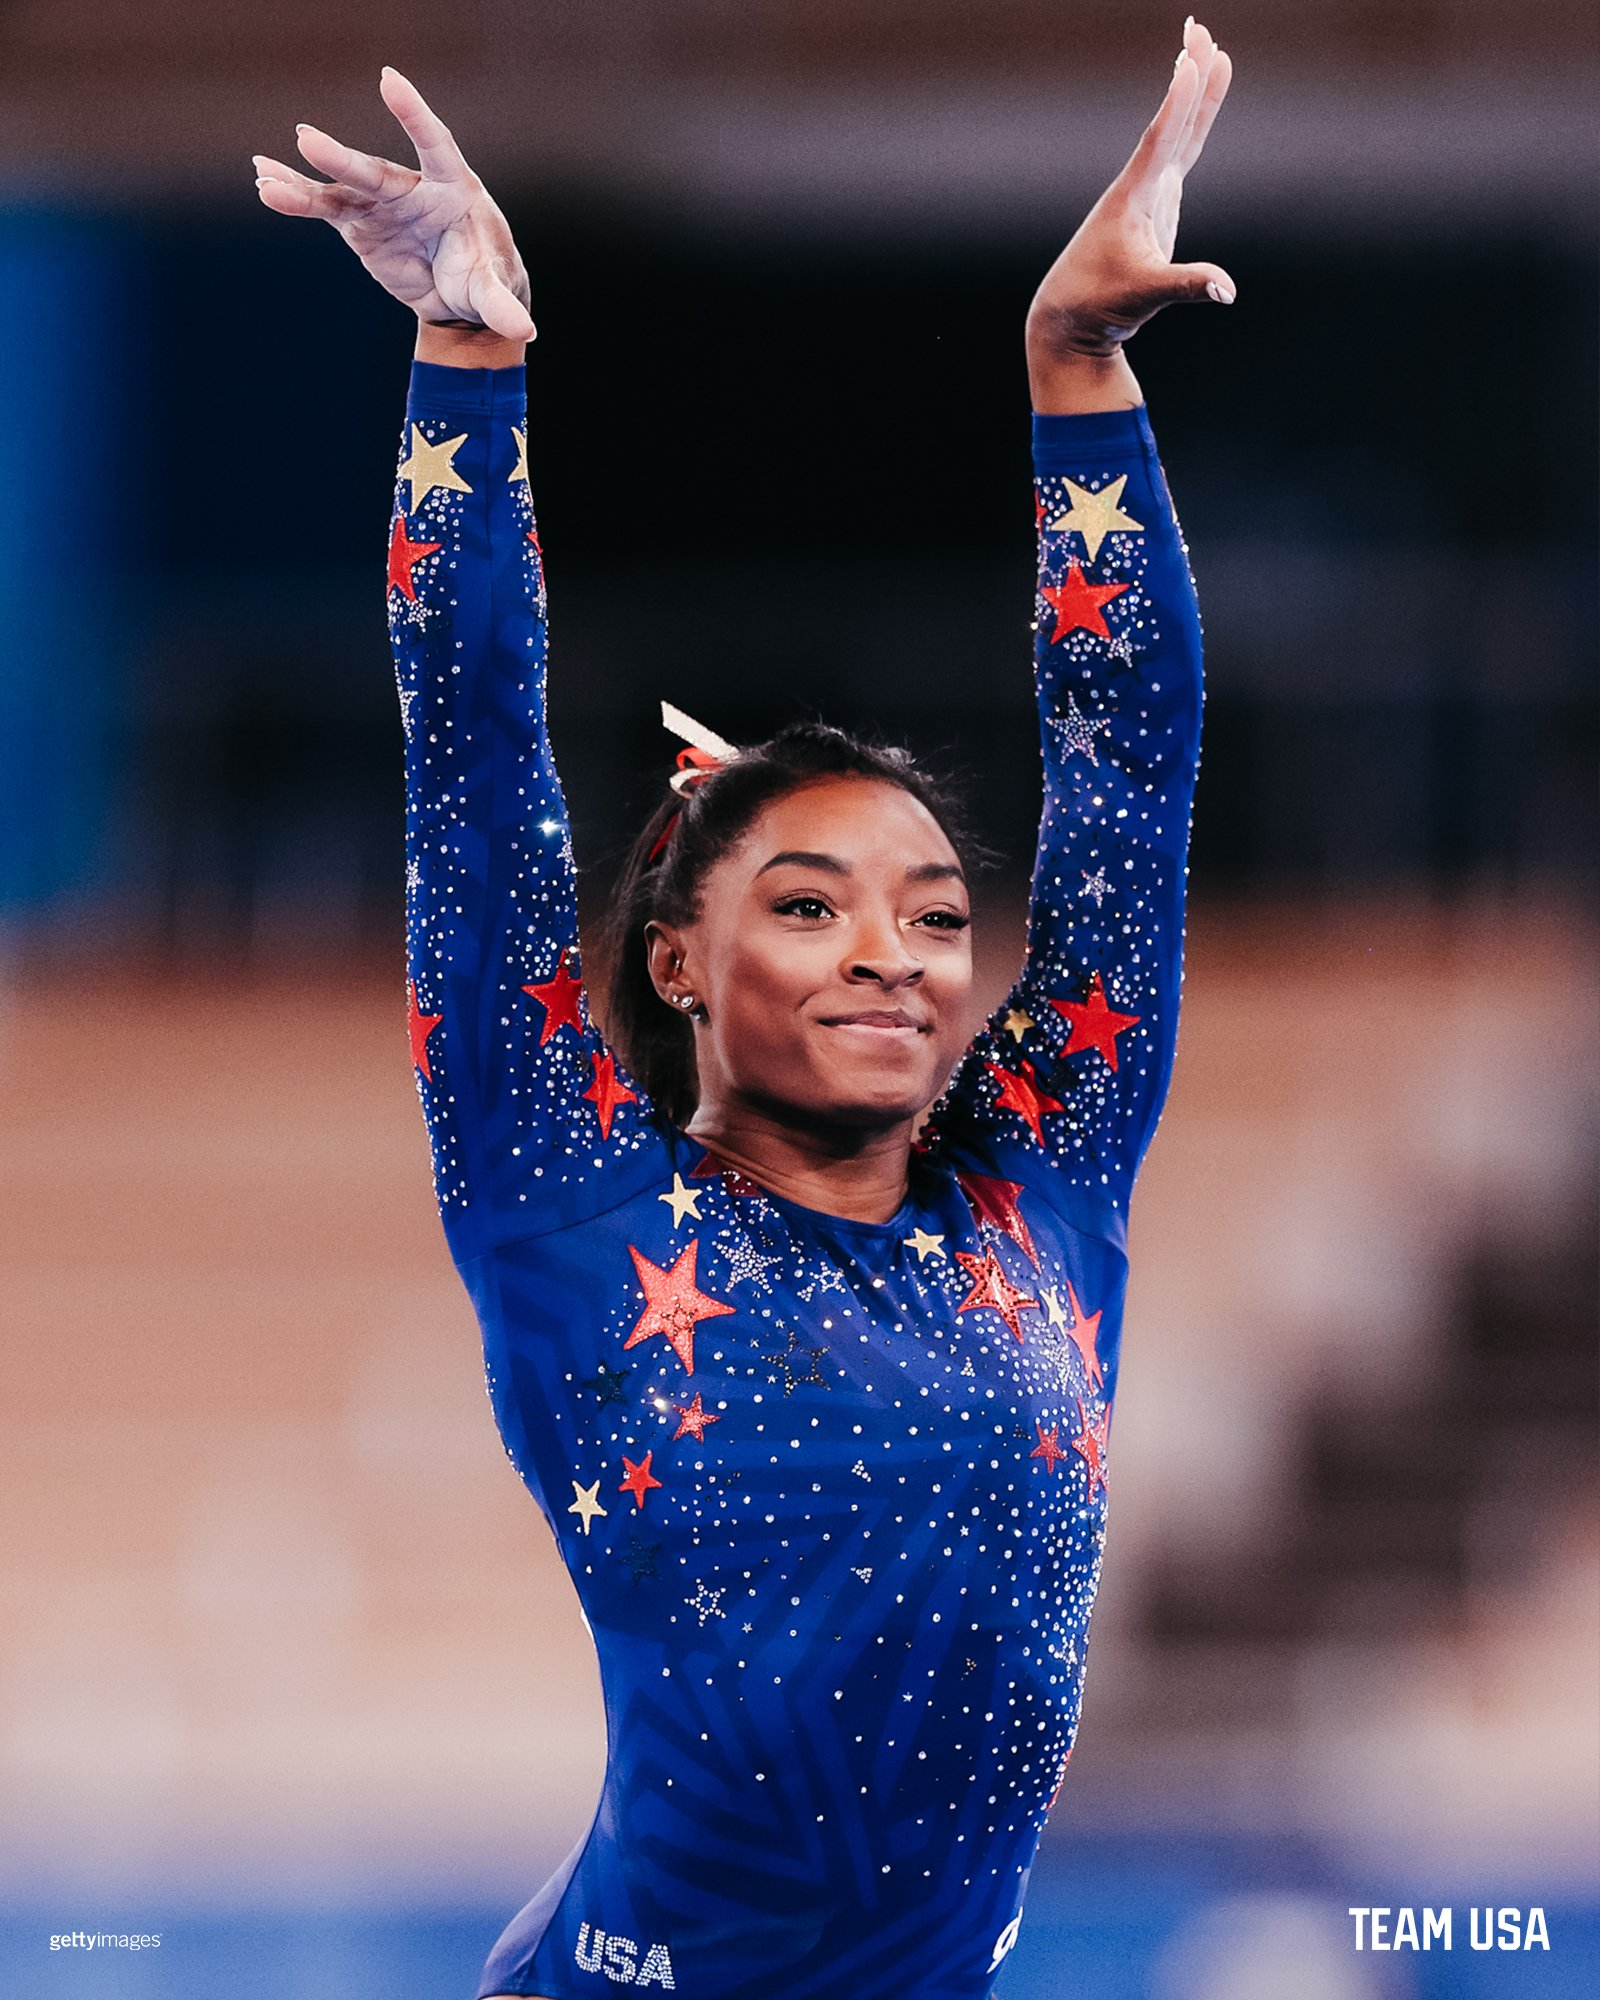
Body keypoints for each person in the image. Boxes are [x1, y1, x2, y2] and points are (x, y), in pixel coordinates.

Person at [253, 20, 1232, 1996]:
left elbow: (1123, 760)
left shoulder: (1038, 1190)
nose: (890, 948)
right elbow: (468, 765)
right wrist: (468, 371)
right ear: (680, 958)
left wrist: (1078, 382)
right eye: (809, 901)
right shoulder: (576, 1210)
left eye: (931, 910)